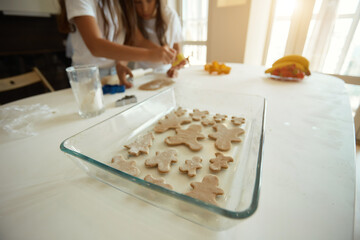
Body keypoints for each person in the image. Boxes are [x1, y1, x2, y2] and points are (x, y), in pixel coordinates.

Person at [57, 0, 176, 88]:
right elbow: (95, 46)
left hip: (116, 73)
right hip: (87, 78)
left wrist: (166, 54)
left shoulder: (121, 3)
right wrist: (150, 54)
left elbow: (138, 40)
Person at [134, 0, 186, 77]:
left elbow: (176, 48)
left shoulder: (170, 16)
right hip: (140, 74)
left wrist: (174, 67)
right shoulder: (132, 19)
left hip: (165, 73)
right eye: (138, 2)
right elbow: (139, 42)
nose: (144, 9)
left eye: (149, 1)